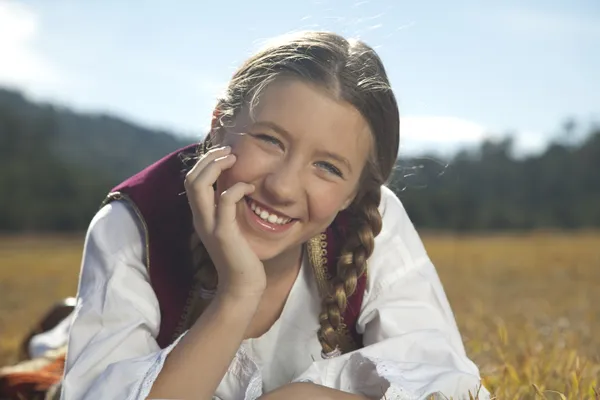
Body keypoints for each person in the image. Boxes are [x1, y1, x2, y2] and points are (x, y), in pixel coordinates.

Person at [21, 31, 489, 399]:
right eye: (269, 139)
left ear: (355, 193)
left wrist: (299, 397)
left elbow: (450, 387)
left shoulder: (376, 219)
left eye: (327, 167)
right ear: (219, 122)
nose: (282, 186)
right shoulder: (134, 221)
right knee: (51, 368)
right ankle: (62, 332)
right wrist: (238, 293)